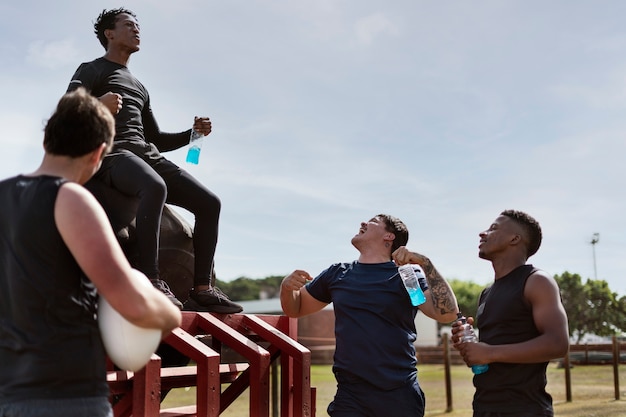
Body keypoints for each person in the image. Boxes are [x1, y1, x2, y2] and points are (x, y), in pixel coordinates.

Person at [0, 88, 182, 417]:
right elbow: (135, 305)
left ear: (46, 141)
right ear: (99, 154)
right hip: (66, 398)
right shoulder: (71, 198)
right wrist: (171, 315)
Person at [66, 8, 242, 313]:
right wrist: (97, 105)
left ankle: (202, 288)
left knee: (209, 202)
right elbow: (65, 113)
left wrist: (192, 135)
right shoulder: (91, 69)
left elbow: (156, 138)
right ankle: (151, 279)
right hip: (110, 152)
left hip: (146, 154)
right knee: (154, 186)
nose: (137, 31)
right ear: (109, 33)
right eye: (129, 26)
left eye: (138, 27)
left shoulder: (139, 86)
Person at [280, 214, 459, 417]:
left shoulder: (405, 276)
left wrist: (426, 264)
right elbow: (296, 309)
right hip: (350, 394)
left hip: (398, 394)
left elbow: (446, 313)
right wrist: (287, 288)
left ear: (389, 236)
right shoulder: (337, 274)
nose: (363, 223)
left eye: (373, 221)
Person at [451, 210, 569, 417]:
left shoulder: (537, 281)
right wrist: (471, 346)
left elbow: (558, 343)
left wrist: (489, 353)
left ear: (515, 238)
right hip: (484, 406)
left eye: (494, 228)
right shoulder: (487, 292)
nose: (482, 233)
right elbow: (497, 345)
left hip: (524, 409)